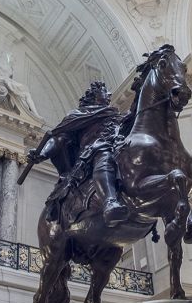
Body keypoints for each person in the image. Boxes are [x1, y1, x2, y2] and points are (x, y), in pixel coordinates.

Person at [28, 81, 128, 226]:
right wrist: (42, 153)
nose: (110, 94)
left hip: (116, 145)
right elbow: (60, 138)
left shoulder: (113, 114)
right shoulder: (79, 115)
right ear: (94, 95)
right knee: (104, 155)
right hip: (91, 153)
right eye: (104, 91)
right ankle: (110, 202)